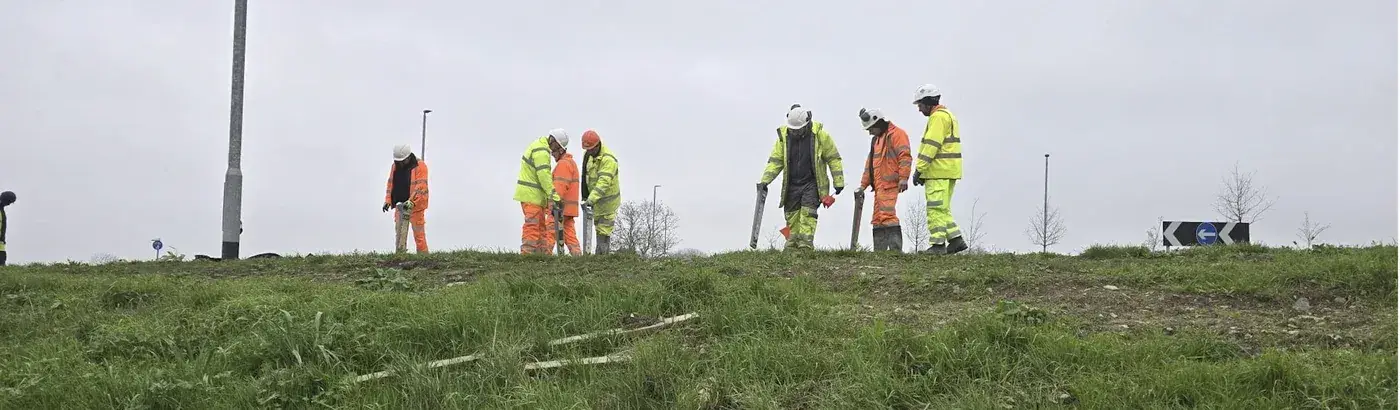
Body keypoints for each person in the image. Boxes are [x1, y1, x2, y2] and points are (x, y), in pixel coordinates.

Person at [758, 104, 846, 250]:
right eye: (793, 130)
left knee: (808, 213)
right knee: (791, 214)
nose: (795, 133)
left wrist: (839, 181)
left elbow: (833, 158)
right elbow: (776, 161)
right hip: (791, 184)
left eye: (798, 130)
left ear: (807, 124)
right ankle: (792, 245)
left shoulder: (820, 135)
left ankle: (805, 246)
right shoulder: (784, 137)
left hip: (812, 182)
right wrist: (764, 181)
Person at [911, 84, 968, 254]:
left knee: (935, 208)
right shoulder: (948, 115)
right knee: (943, 209)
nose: (919, 110)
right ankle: (956, 239)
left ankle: (937, 246)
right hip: (948, 171)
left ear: (928, 102)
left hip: (938, 171)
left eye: (920, 105)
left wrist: (919, 169)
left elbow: (931, 146)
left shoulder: (937, 118)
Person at [855, 108, 912, 252]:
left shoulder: (897, 134)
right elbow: (870, 166)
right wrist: (863, 185)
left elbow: (904, 157)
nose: (869, 132)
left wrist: (904, 178)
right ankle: (879, 253)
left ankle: (895, 251)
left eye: (871, 128)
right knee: (877, 219)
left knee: (887, 216)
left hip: (890, 184)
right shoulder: (876, 140)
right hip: (879, 187)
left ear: (878, 123)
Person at [515, 129, 566, 254]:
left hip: (535, 197)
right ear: (553, 141)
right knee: (532, 226)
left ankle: (543, 255)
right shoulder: (541, 151)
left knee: (541, 228)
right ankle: (527, 254)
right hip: (531, 196)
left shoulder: (540, 147)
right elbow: (544, 176)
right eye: (558, 147)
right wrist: (554, 196)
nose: (556, 151)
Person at [381, 145, 430, 253]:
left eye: (402, 161)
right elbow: (391, 184)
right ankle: (400, 255)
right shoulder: (395, 166)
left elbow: (420, 187)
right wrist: (388, 200)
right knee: (399, 233)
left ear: (408, 158)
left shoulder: (420, 166)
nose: (399, 164)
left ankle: (423, 257)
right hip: (400, 204)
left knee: (419, 234)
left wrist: (412, 202)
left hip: (416, 206)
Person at [580, 129, 621, 254]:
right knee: (598, 228)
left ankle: (602, 257)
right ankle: (600, 256)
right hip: (595, 203)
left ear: (598, 145)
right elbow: (584, 176)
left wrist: (590, 200)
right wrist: (586, 197)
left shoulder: (608, 160)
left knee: (604, 230)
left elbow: (603, 183)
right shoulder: (588, 156)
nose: (589, 151)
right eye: (588, 149)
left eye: (592, 149)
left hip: (608, 204)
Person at [550, 142, 583, 255]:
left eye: (554, 151)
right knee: (569, 234)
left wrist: (553, 204)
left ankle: (543, 256)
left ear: (560, 150)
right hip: (568, 208)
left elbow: (560, 186)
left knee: (549, 231)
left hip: (559, 208)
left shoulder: (563, 164)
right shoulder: (570, 163)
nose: (552, 154)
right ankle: (577, 256)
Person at [0, 191, 13, 266]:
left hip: (1, 242)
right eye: (9, 202)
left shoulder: (2, 209)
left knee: (2, 261)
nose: (9, 204)